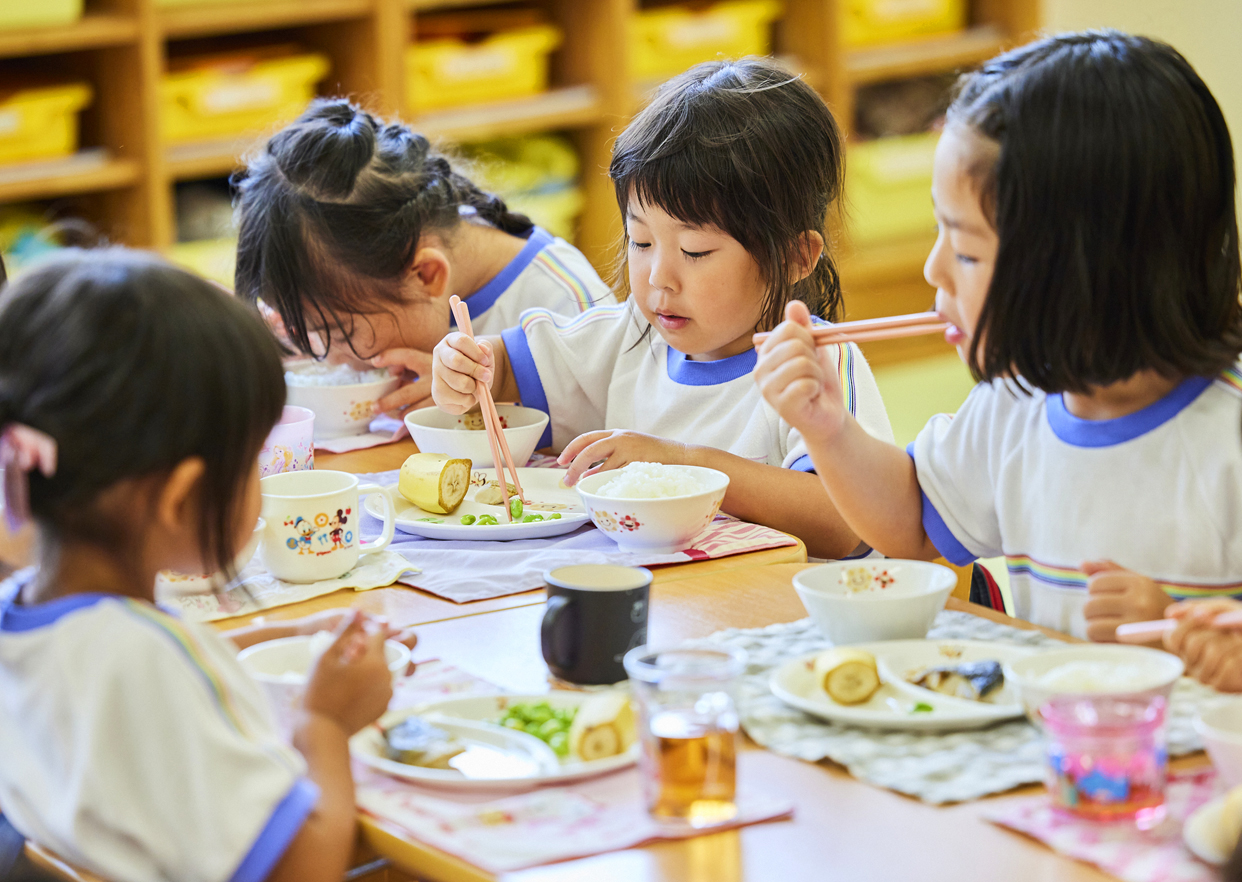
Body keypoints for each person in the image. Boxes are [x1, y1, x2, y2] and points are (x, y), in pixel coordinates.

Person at [755, 31, 1242, 639]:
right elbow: (910, 520)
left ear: (1081, 270)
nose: (933, 269)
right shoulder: (1017, 402)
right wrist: (826, 425)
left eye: (964, 249)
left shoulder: (1227, 430)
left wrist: (1199, 636)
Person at [0, 249, 406, 882]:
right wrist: (323, 722)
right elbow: (303, 868)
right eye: (252, 460)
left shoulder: (26, 611)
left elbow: (142, 658)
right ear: (181, 497)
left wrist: (287, 634)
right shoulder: (148, 662)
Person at [431, 58, 894, 560]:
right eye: (641, 241)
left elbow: (848, 522)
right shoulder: (632, 336)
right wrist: (464, 367)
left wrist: (682, 466)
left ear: (795, 255)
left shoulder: (817, 365)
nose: (658, 278)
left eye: (695, 251)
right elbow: (502, 373)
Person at [234, 98, 613, 417]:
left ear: (426, 275)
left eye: (341, 333)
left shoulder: (570, 306)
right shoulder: (381, 279)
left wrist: (474, 401)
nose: (331, 360)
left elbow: (610, 446)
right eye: (311, 332)